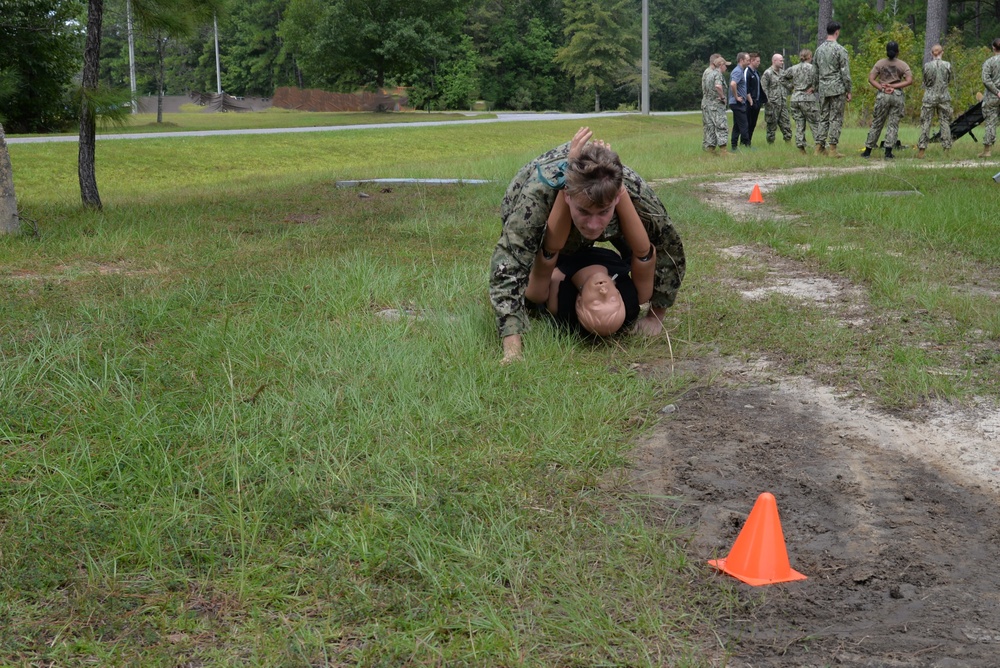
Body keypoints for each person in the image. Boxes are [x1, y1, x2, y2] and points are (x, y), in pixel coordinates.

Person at [489, 128, 686, 363]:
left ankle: (595, 211)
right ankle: (575, 216)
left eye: (603, 212)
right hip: (554, 212)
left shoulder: (634, 193)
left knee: (644, 256)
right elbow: (509, 262)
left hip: (609, 209)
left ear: (616, 199)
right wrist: (512, 345)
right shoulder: (538, 194)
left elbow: (669, 246)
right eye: (585, 212)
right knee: (533, 294)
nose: (593, 225)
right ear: (569, 197)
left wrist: (656, 315)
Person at [861, 41, 913, 159]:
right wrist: (894, 86)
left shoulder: (880, 63)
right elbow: (909, 80)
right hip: (897, 95)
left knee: (877, 122)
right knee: (893, 124)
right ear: (897, 52)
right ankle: (888, 152)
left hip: (883, 95)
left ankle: (868, 151)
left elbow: (871, 79)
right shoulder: (903, 65)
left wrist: (882, 87)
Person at [814, 21, 852, 157]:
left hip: (823, 89)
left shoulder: (819, 50)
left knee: (823, 118)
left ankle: (818, 148)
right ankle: (832, 149)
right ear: (837, 32)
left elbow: (815, 71)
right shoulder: (840, 50)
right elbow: (845, 73)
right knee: (835, 118)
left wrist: (816, 88)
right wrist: (848, 90)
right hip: (837, 89)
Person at [916, 44, 953, 159]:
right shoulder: (947, 65)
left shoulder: (927, 66)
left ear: (932, 53)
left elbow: (926, 81)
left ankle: (922, 150)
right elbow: (948, 80)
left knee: (926, 122)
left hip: (930, 96)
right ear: (942, 52)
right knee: (945, 122)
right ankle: (946, 150)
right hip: (944, 96)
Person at [782, 48, 821, 154]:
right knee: (815, 123)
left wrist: (791, 87)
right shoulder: (812, 68)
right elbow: (819, 80)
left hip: (795, 99)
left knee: (799, 124)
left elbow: (782, 78)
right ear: (809, 57)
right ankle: (819, 147)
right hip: (807, 98)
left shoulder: (793, 68)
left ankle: (801, 148)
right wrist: (814, 88)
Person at [761, 53, 792, 144]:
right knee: (771, 126)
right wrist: (767, 102)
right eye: (780, 60)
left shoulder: (783, 73)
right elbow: (764, 89)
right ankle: (771, 145)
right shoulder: (768, 73)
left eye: (782, 60)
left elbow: (788, 85)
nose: (782, 62)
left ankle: (788, 142)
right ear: (774, 61)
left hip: (782, 104)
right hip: (772, 105)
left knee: (786, 125)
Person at [702, 55, 730, 154]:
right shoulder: (718, 74)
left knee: (711, 127)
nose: (726, 67)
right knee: (721, 126)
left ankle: (710, 150)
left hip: (709, 105)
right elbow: (718, 86)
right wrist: (722, 97)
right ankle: (723, 151)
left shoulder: (709, 74)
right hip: (717, 105)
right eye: (725, 65)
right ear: (721, 65)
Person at [979, 37, 1000, 158]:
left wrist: (997, 91)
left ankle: (987, 151)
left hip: (992, 96)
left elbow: (986, 80)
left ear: (993, 48)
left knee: (990, 122)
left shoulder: (989, 62)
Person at [729, 52, 752, 151]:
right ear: (741, 60)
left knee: (737, 126)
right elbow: (733, 84)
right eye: (747, 60)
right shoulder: (738, 71)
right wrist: (736, 97)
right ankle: (747, 146)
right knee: (744, 125)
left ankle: (734, 147)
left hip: (737, 103)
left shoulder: (740, 71)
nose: (749, 62)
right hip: (737, 103)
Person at [745, 53, 765, 145]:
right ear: (752, 61)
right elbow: (746, 87)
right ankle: (745, 142)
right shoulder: (747, 72)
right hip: (749, 102)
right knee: (748, 123)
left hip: (756, 101)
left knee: (753, 123)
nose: (759, 63)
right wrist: (750, 100)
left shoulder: (756, 73)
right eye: (757, 61)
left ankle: (749, 141)